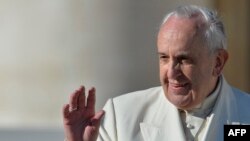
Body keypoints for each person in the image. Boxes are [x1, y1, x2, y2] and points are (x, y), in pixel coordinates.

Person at [62, 5, 250, 141]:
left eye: (184, 59)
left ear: (218, 62)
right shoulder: (120, 116)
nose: (172, 72)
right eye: (164, 58)